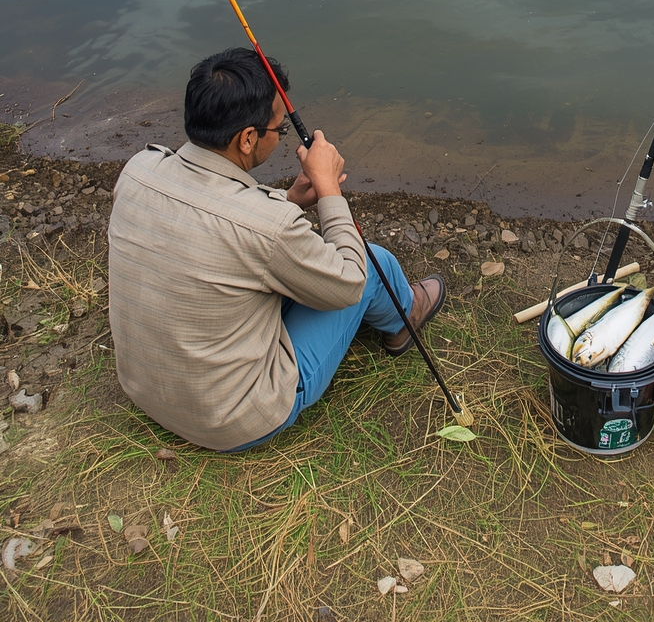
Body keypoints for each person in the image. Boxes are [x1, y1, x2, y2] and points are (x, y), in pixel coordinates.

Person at [107, 48, 445, 451]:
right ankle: (403, 318)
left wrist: (287, 200)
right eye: (278, 130)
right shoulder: (266, 227)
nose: (280, 137)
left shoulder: (137, 170)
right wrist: (328, 189)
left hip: (145, 388)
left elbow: (212, 232)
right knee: (373, 265)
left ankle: (401, 310)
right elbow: (349, 282)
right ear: (248, 138)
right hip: (232, 419)